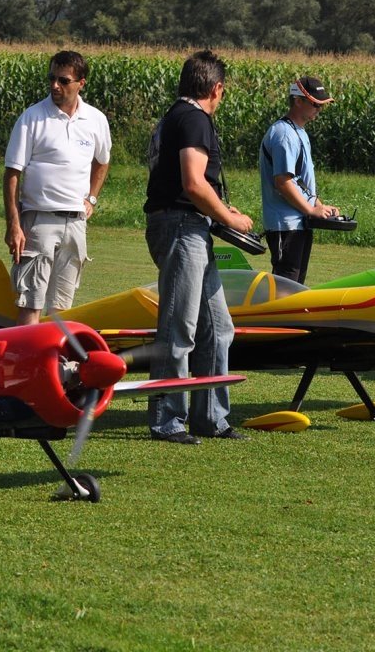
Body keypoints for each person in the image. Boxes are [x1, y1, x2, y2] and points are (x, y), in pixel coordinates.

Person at [143, 50, 253, 444]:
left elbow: (186, 183)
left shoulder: (178, 116)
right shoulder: (194, 118)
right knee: (179, 328)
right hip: (180, 227)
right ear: (216, 88)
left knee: (219, 328)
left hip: (188, 225)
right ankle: (167, 419)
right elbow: (192, 182)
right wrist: (230, 218)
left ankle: (210, 417)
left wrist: (219, 209)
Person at [3, 50, 112, 324]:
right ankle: (27, 366)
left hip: (76, 223)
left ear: (81, 83)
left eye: (63, 80)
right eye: (52, 78)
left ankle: (54, 365)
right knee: (31, 303)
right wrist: (14, 226)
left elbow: (103, 161)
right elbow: (12, 174)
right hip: (38, 220)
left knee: (62, 308)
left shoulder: (96, 119)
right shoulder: (32, 117)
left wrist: (92, 199)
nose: (55, 86)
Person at [259, 76, 339, 284]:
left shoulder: (299, 132)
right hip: (286, 225)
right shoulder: (284, 134)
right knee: (285, 286)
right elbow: (283, 182)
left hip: (299, 223)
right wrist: (311, 210)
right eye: (315, 104)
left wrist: (319, 206)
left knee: (295, 287)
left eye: (321, 105)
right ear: (298, 100)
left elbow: (300, 180)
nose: (318, 110)